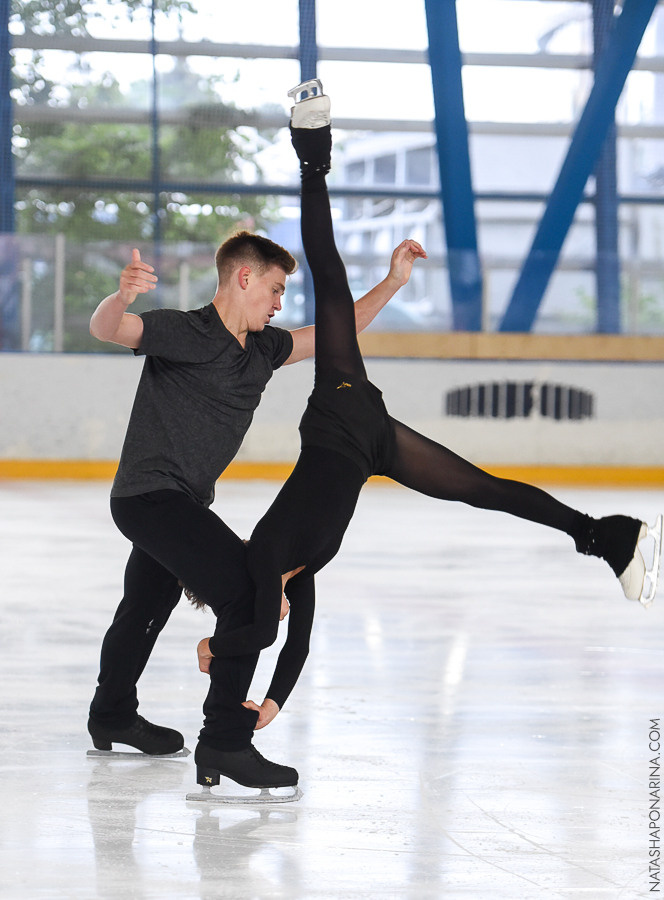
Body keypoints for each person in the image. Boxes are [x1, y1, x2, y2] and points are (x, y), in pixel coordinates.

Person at [189, 81, 661, 792]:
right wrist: (270, 707)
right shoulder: (300, 576)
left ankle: (311, 150)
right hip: (372, 443)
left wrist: (217, 647)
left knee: (330, 281)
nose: (278, 609)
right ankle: (609, 537)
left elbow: (255, 629)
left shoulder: (267, 555)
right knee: (481, 490)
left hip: (341, 412)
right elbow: (294, 643)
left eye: (267, 605)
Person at [87, 223, 420, 759]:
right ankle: (225, 740)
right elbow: (109, 329)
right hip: (149, 496)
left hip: (182, 502)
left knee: (144, 605)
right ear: (244, 278)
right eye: (275, 289)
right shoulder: (185, 330)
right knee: (247, 594)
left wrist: (394, 282)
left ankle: (110, 716)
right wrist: (121, 296)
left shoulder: (264, 349)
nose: (279, 303)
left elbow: (338, 330)